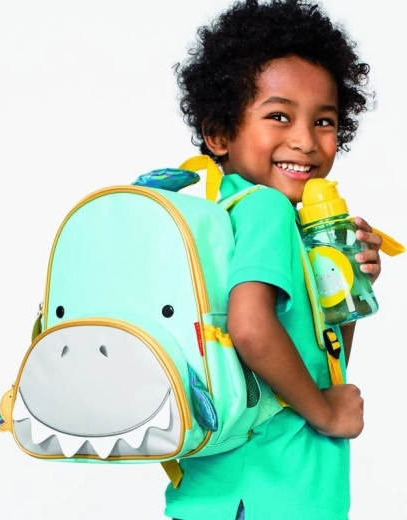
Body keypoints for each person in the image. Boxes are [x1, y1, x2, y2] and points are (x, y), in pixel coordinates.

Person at [165, 0, 382, 518]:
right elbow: (250, 329)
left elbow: (321, 361)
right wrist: (326, 414)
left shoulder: (233, 213)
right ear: (219, 134)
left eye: (324, 120)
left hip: (234, 493)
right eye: (279, 116)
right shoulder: (266, 208)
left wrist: (345, 287)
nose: (305, 141)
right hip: (271, 493)